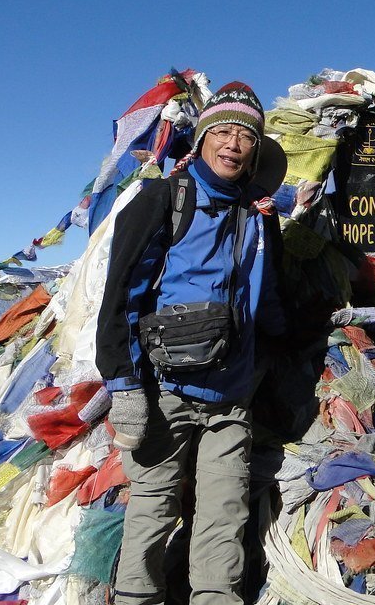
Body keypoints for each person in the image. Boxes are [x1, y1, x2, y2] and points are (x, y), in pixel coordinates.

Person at [95, 82, 286, 605]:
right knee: (152, 507)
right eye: (222, 132)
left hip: (231, 397)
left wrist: (287, 342)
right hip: (165, 390)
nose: (233, 144)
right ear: (202, 140)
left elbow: (269, 296)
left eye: (246, 137)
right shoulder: (163, 200)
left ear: (255, 151)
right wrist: (124, 385)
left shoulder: (258, 216)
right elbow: (121, 296)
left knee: (225, 513)